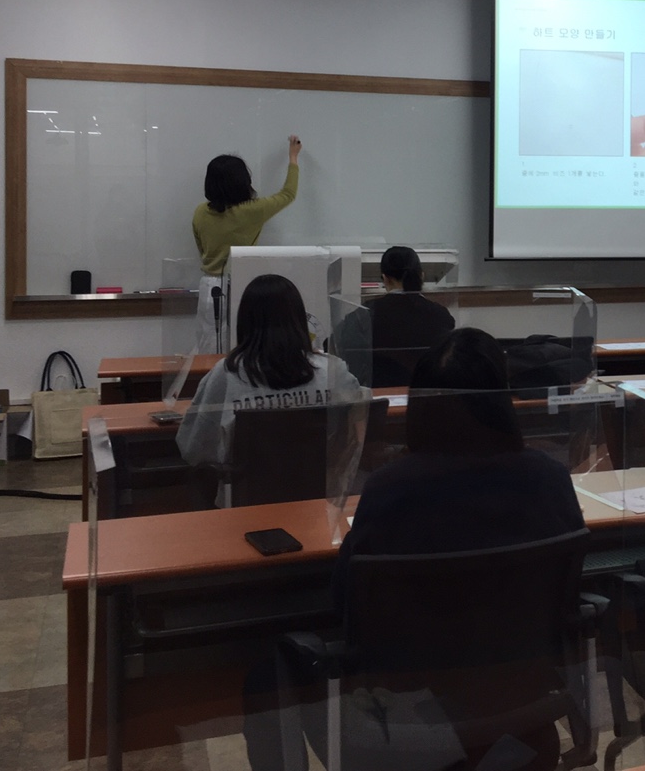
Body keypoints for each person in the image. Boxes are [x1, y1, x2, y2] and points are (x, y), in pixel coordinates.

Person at [241, 328, 584, 771]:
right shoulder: (549, 478)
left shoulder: (391, 488)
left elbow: (347, 602)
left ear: (419, 405)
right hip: (520, 704)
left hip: (408, 715)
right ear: (500, 401)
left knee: (264, 676)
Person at [177, 273, 365, 482]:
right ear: (298, 318)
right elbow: (356, 432)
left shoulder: (227, 373)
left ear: (245, 320)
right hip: (320, 493)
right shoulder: (333, 370)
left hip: (246, 496)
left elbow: (193, 448)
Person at [191, 135, 302, 351]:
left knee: (209, 348)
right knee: (243, 347)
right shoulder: (253, 210)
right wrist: (293, 157)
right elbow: (288, 194)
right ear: (243, 181)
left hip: (209, 287)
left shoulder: (200, 212)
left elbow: (201, 248)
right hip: (241, 285)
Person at [365, 246, 456, 383]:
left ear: (385, 279)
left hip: (381, 392)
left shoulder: (366, 312)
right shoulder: (441, 315)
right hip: (427, 391)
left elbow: (337, 345)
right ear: (421, 276)